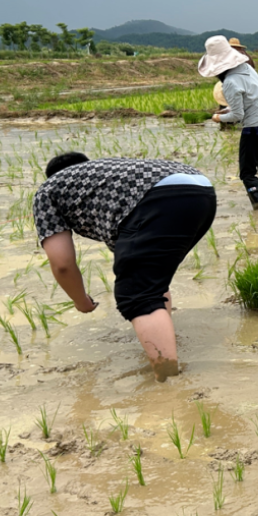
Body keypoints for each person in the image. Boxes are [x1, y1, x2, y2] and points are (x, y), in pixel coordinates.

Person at [33, 154, 217, 382]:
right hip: (201, 189)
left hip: (159, 198)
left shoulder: (49, 190)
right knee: (150, 282)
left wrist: (81, 301)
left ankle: (169, 382)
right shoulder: (109, 175)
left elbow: (61, 263)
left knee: (137, 294)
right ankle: (164, 344)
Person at [199, 35, 258, 209]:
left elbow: (237, 116)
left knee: (247, 173)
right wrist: (227, 110)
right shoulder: (246, 67)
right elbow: (252, 98)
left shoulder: (229, 82)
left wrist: (218, 117)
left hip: (256, 128)